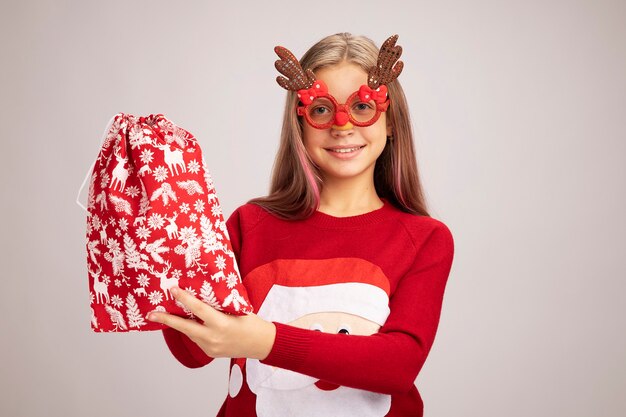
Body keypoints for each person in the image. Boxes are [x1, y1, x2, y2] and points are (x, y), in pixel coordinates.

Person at [146, 33, 455, 417]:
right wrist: (167, 244)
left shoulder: (424, 239)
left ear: (391, 123)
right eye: (321, 110)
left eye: (362, 107)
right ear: (300, 124)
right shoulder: (250, 225)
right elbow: (192, 352)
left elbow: (398, 366)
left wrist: (267, 341)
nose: (342, 126)